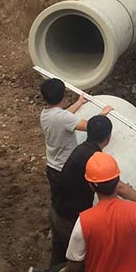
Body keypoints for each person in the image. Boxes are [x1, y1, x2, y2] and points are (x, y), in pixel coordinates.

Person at [40, 115, 136, 267]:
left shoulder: (81, 149)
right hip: (69, 218)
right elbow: (120, 188)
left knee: (60, 254)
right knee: (85, 264)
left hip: (57, 209)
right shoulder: (94, 158)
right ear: (108, 137)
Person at [40, 79, 112, 211]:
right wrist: (103, 114)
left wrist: (79, 103)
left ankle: (57, 221)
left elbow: (63, 115)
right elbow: (90, 127)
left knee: (58, 200)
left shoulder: (45, 114)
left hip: (52, 166)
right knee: (75, 203)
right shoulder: (64, 118)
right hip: (66, 168)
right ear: (63, 95)